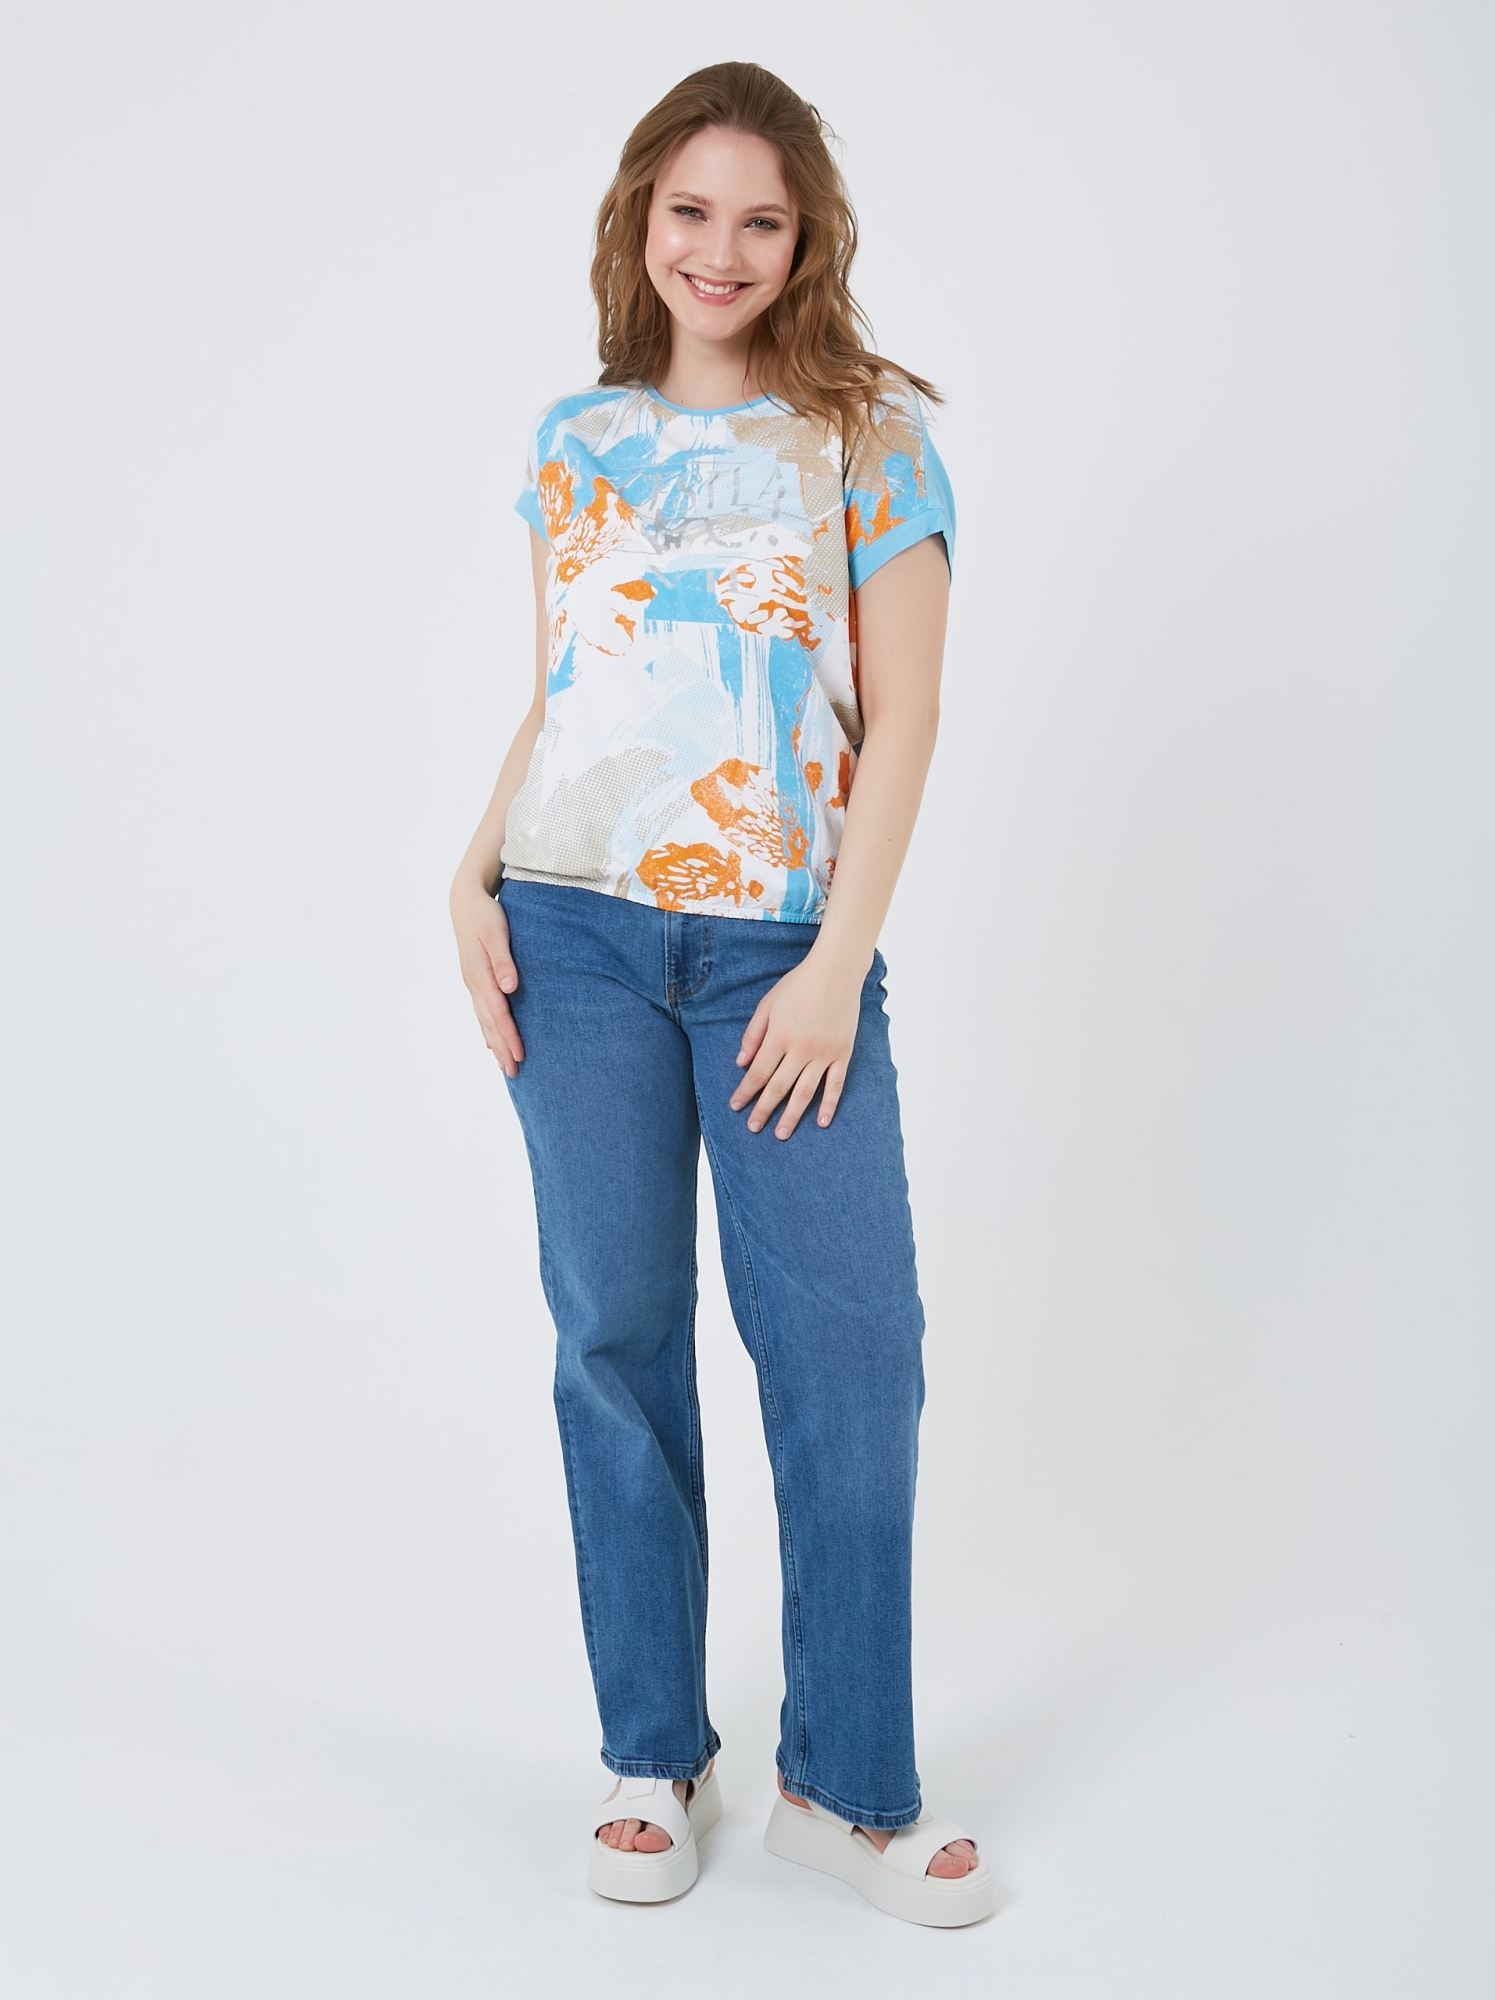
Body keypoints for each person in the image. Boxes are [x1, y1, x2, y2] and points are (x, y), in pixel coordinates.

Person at [449, 60, 992, 1929]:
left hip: (776, 948)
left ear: (808, 239)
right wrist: (468, 869)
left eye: (763, 219)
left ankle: (847, 1785)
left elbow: (905, 717)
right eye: (693, 211)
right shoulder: (577, 439)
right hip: (575, 932)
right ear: (641, 220)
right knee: (612, 1338)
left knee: (850, 1352)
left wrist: (836, 961)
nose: (723, 250)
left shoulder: (869, 436)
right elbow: (572, 690)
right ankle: (650, 1757)